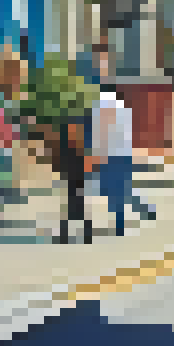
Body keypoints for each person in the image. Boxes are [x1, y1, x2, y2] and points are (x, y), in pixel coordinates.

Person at [91, 82, 155, 236]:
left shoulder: (102, 110)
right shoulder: (123, 110)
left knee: (114, 190)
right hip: (122, 155)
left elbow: (100, 135)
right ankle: (142, 208)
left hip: (111, 156)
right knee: (118, 188)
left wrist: (98, 153)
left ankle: (120, 223)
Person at [50, 107, 93, 244]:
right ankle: (72, 232)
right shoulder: (67, 141)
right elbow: (59, 155)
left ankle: (83, 232)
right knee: (72, 201)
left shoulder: (81, 141)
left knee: (77, 201)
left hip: (78, 170)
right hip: (71, 170)